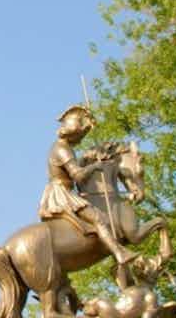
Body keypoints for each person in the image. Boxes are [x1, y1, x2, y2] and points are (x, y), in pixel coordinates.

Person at [38, 105, 136, 265]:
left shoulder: (63, 146)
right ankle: (120, 253)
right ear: (72, 134)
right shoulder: (63, 149)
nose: (80, 140)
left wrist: (89, 125)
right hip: (61, 193)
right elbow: (78, 176)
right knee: (98, 218)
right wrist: (95, 166)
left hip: (63, 190)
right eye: (79, 136)